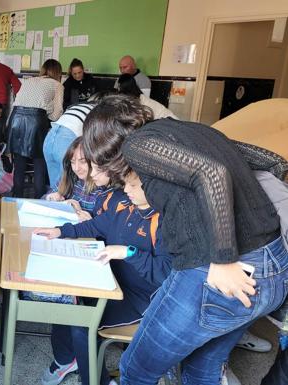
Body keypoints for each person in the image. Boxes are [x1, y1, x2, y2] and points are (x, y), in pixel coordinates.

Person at [81, 94, 288, 384]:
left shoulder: (136, 145)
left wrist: (224, 258)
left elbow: (212, 173)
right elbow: (272, 162)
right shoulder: (191, 130)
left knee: (136, 368)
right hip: (273, 268)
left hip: (226, 272)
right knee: (202, 367)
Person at [34, 170, 172, 385]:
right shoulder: (125, 206)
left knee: (82, 324)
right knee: (66, 300)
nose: (126, 190)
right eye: (126, 184)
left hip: (139, 299)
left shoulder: (163, 221)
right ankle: (66, 360)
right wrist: (60, 232)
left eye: (133, 186)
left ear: (155, 189)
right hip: (107, 279)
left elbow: (165, 272)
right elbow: (95, 226)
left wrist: (129, 252)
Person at [8, 59, 64, 198]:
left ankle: (15, 200)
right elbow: (57, 115)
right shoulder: (57, 85)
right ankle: (40, 200)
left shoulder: (29, 80)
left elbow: (18, 102)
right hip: (37, 121)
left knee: (19, 165)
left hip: (16, 119)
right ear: (58, 72)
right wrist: (48, 109)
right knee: (40, 162)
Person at [44, 136, 105, 222]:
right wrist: (50, 197)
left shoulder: (101, 188)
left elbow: (105, 228)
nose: (76, 168)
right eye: (72, 162)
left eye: (82, 161)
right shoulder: (70, 177)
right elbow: (43, 200)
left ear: (94, 161)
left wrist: (82, 214)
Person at [43, 102, 95, 188]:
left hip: (50, 136)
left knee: (56, 187)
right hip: (67, 138)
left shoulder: (79, 106)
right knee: (68, 185)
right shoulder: (99, 111)